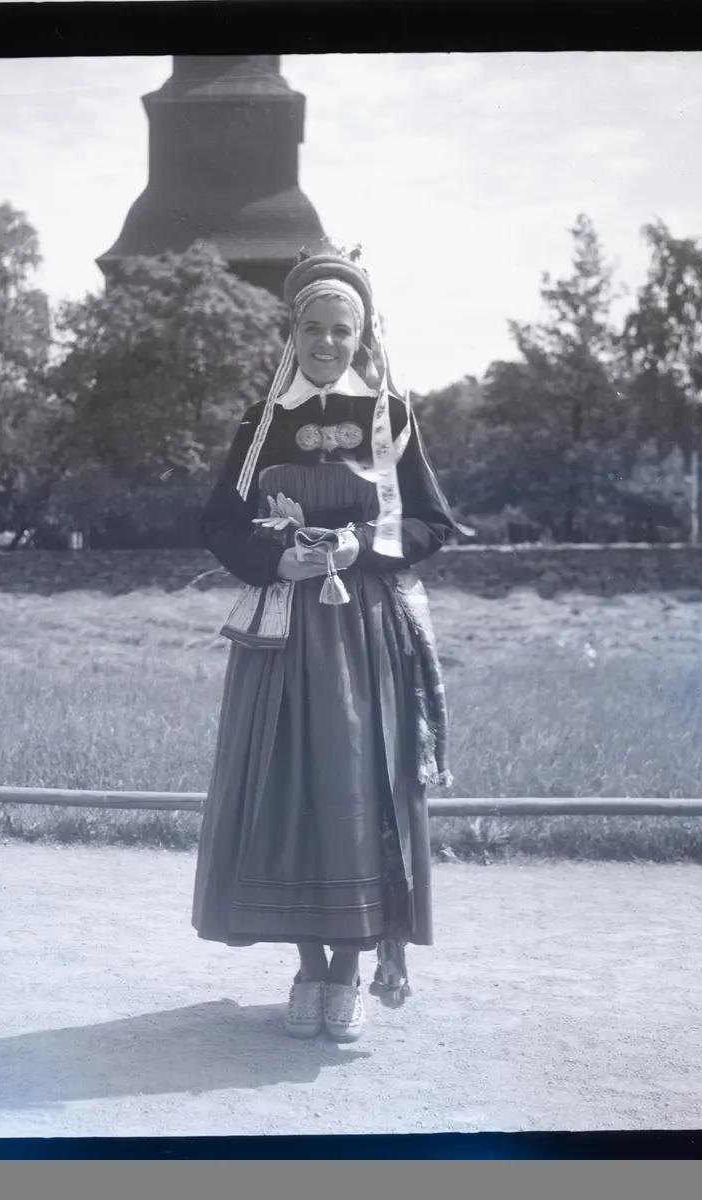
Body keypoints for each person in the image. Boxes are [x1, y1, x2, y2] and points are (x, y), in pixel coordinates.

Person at [192, 242, 455, 1042]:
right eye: (314, 328)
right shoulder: (262, 422)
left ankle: (347, 968)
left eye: (344, 329)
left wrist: (357, 547)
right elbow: (218, 523)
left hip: (362, 635)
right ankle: (307, 963)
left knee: (352, 787)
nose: (328, 343)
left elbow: (431, 523)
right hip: (281, 633)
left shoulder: (390, 418)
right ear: (293, 331)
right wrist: (277, 558)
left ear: (362, 334)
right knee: (287, 786)